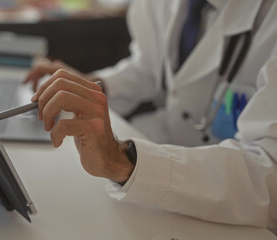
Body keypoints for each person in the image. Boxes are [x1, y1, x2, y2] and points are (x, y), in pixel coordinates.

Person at [24, 0, 277, 228]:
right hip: (166, 184)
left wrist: (123, 161)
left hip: (237, 215)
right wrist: (91, 86)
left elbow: (269, 177)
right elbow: (148, 67)